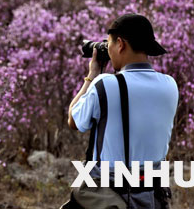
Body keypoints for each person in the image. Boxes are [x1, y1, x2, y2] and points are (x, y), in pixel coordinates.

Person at [64, 13, 179, 209]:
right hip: (152, 193)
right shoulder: (170, 84)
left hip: (110, 194)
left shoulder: (105, 84)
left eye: (108, 44)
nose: (108, 50)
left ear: (121, 44)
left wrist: (92, 75)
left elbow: (74, 120)